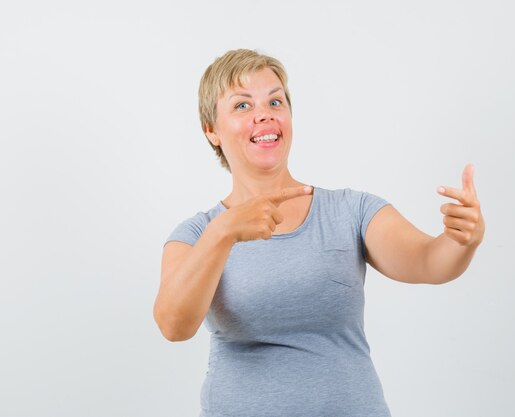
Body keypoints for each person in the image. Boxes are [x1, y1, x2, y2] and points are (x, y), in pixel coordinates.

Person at [153, 49, 485, 417]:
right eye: (242, 106)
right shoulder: (197, 233)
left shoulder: (351, 211)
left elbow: (428, 262)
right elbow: (173, 325)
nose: (264, 113)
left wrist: (460, 240)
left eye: (275, 101)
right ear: (211, 131)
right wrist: (223, 233)